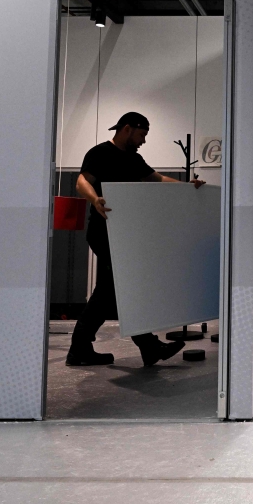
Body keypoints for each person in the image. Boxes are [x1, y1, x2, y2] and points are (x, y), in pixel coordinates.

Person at [67, 112, 206, 367]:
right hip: (103, 232)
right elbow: (81, 182)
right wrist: (94, 199)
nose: (143, 141)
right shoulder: (99, 153)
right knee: (113, 289)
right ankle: (93, 348)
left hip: (124, 234)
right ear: (128, 129)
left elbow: (159, 180)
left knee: (114, 290)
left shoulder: (134, 159)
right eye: (142, 135)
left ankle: (95, 348)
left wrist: (189, 187)